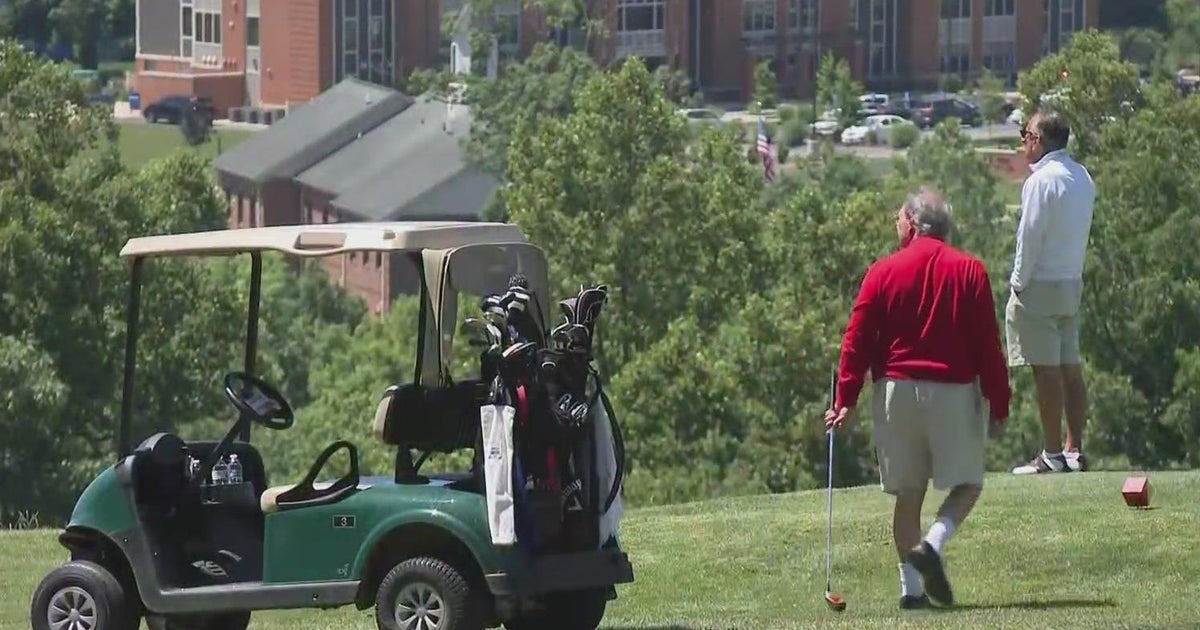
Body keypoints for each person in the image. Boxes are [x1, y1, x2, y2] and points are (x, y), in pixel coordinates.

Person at [825, 188, 1010, 610]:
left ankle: (911, 592)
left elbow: (856, 339)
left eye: (897, 217)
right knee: (967, 484)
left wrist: (846, 399)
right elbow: (988, 346)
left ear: (911, 222)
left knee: (909, 493)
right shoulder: (970, 270)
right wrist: (999, 403)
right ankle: (933, 543)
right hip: (954, 392)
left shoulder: (882, 271)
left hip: (895, 393)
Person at [1006, 111, 1096, 475]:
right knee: (1070, 369)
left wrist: (1017, 281)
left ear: (1039, 141)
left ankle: (1052, 454)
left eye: (1026, 134)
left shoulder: (1040, 181)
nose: (1023, 140)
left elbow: (1030, 236)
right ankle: (1074, 450)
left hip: (1040, 283)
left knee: (1046, 373)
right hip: (1070, 281)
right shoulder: (1082, 176)